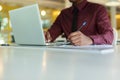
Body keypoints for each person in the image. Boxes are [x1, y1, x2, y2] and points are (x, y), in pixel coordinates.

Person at [45, 0, 114, 46]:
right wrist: (45, 36)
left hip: (93, 59)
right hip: (68, 58)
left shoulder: (98, 9)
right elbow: (50, 35)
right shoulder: (64, 14)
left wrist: (90, 40)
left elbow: (109, 36)